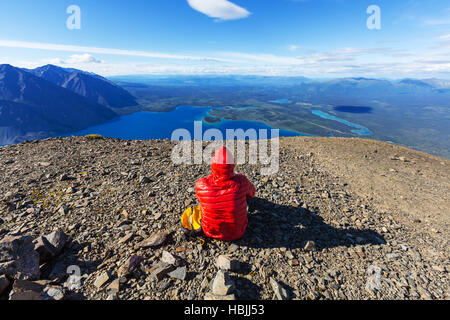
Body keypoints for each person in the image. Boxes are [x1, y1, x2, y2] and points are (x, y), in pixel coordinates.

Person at [195, 146, 256, 241]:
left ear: (213, 166)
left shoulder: (201, 184)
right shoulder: (241, 181)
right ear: (232, 165)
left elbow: (200, 198)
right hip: (238, 232)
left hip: (210, 232)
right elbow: (252, 193)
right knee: (243, 196)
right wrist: (236, 176)